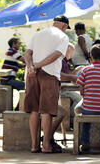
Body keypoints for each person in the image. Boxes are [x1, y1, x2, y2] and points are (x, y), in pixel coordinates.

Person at [24, 15, 70, 153]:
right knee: (46, 111)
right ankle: (46, 146)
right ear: (64, 26)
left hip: (31, 74)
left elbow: (27, 52)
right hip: (50, 74)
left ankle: (34, 145)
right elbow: (56, 55)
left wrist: (31, 66)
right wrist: (38, 65)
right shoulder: (63, 37)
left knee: (34, 110)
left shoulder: (38, 33)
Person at [60, 43, 83, 128]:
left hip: (67, 86)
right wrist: (74, 76)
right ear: (67, 51)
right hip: (62, 88)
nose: (72, 54)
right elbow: (62, 76)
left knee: (81, 95)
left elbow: (68, 75)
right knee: (79, 98)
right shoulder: (61, 61)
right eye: (71, 52)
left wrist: (76, 71)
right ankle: (74, 121)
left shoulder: (65, 61)